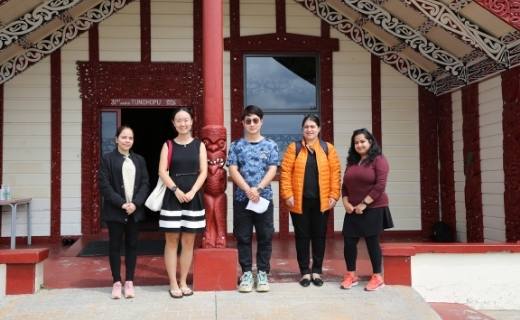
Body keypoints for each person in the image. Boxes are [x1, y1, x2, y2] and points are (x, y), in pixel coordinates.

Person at [280, 114, 341, 287]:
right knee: (302, 237)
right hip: (299, 201)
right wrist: (287, 194)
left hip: (322, 202)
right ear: (302, 129)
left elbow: (336, 174)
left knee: (319, 236)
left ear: (319, 129)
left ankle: (317, 271)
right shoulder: (295, 148)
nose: (309, 129)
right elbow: (285, 173)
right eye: (306, 127)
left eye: (313, 126)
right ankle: (305, 272)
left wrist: (334, 195)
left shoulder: (328, 148)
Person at [227, 105, 279, 293]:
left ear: (261, 122)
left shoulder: (271, 145)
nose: (251, 124)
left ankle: (263, 273)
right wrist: (248, 189)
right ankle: (247, 273)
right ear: (243, 123)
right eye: (248, 120)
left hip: (263, 199)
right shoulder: (236, 145)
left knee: (265, 236)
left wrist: (258, 188)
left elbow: (272, 168)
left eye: (255, 120)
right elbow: (232, 169)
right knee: (243, 237)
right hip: (242, 198)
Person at [158, 108, 208, 298]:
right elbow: (162, 171)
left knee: (188, 242)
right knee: (171, 241)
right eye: (179, 120)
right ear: (173, 123)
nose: (183, 123)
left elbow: (203, 171)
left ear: (192, 121)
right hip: (173, 197)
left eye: (186, 120)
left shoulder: (199, 145)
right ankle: (172, 283)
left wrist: (193, 191)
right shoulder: (168, 145)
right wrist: (176, 190)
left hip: (193, 198)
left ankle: (183, 281)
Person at [99, 125, 150, 299]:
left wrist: (135, 204)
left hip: (134, 211)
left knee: (132, 246)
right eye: (124, 137)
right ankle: (116, 282)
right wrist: (122, 204)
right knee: (114, 246)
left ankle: (129, 281)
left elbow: (145, 184)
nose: (127, 140)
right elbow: (104, 186)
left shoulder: (139, 160)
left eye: (130, 138)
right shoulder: (107, 159)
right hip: (115, 211)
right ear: (116, 139)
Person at [340, 128, 393, 291]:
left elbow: (380, 186)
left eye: (362, 141)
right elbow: (345, 186)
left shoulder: (379, 159)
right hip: (353, 209)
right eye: (356, 142)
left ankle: (377, 277)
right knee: (349, 242)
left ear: (370, 142)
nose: (359, 145)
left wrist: (364, 204)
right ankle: (351, 275)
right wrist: (346, 203)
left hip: (374, 207)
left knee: (372, 242)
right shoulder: (352, 162)